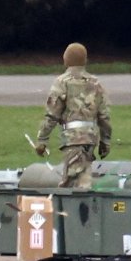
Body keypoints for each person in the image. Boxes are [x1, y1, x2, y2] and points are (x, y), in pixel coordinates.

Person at [34, 43, 112, 189]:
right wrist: (105, 141)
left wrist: (42, 139)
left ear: (66, 60)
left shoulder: (62, 82)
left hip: (73, 140)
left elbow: (52, 114)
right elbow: (104, 116)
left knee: (74, 184)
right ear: (85, 60)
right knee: (79, 179)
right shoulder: (96, 83)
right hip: (90, 139)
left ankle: (76, 210)